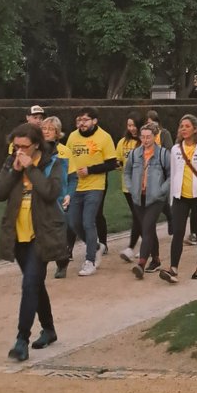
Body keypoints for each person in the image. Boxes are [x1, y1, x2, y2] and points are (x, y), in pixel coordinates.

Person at [0, 123, 68, 361]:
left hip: (42, 234)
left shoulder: (53, 163)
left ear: (36, 144)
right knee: (34, 284)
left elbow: (50, 192)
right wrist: (15, 170)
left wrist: (31, 169)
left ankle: (21, 340)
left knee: (29, 284)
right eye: (16, 147)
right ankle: (49, 329)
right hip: (18, 234)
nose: (19, 151)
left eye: (24, 146)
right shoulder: (11, 162)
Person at [160, 115, 197, 283]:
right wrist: (172, 199)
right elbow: (174, 173)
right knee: (178, 232)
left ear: (195, 129)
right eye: (181, 126)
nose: (183, 129)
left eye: (187, 126)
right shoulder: (176, 149)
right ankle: (173, 268)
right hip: (180, 197)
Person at [65, 107, 117, 276]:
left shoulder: (104, 137)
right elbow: (67, 159)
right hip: (75, 187)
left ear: (94, 121)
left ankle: (90, 260)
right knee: (73, 222)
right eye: (79, 120)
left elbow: (111, 163)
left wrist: (90, 170)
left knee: (88, 221)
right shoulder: (73, 137)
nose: (82, 123)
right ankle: (95, 246)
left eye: (85, 120)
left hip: (95, 186)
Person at [124, 123, 171, 278]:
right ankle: (156, 259)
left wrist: (161, 191)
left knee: (147, 226)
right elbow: (127, 173)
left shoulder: (163, 154)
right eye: (142, 137)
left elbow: (172, 175)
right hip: (138, 198)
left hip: (156, 198)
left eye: (148, 137)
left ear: (155, 137)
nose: (145, 140)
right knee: (148, 229)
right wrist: (131, 188)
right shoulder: (134, 154)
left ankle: (141, 263)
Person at [41, 116, 75, 279]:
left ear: (57, 133)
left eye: (50, 129)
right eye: (44, 129)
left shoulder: (65, 152)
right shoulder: (35, 150)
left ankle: (62, 261)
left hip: (59, 198)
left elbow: (73, 177)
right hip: (40, 197)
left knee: (58, 235)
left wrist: (69, 193)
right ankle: (40, 265)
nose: (46, 132)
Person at [116, 112, 143, 263]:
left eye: (134, 125)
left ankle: (131, 247)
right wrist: (118, 164)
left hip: (142, 186)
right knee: (138, 216)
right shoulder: (123, 142)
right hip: (127, 186)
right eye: (129, 125)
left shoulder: (145, 140)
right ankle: (148, 245)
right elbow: (118, 159)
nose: (132, 128)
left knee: (138, 216)